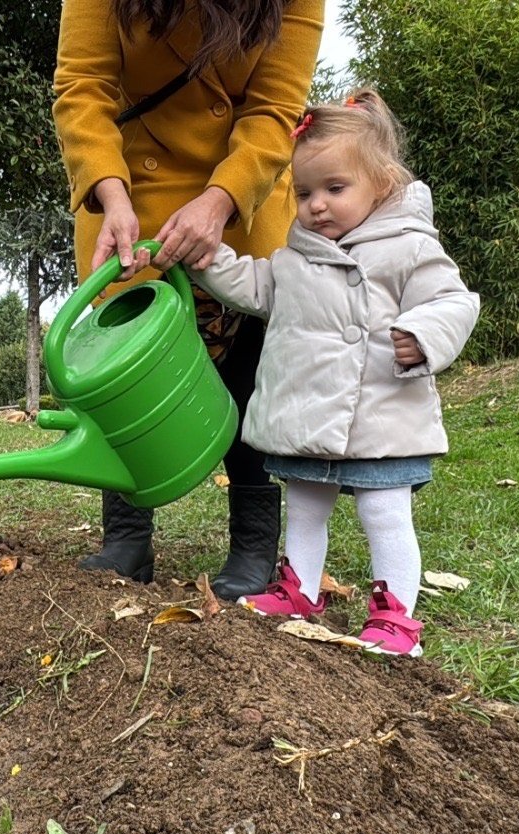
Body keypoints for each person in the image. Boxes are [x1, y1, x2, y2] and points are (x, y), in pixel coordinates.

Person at [187, 89, 480, 657]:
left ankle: (397, 616)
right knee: (306, 502)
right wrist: (209, 259)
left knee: (384, 511)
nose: (317, 205)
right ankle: (300, 589)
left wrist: (422, 336)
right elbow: (255, 286)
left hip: (381, 412)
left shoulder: (409, 247)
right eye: (304, 193)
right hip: (310, 412)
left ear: (382, 184)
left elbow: (454, 301)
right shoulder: (295, 256)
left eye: (335, 189)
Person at [52, 0, 322, 598]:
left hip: (239, 204)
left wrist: (221, 200)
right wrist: (110, 195)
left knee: (249, 380)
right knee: (125, 377)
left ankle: (253, 546)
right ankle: (127, 538)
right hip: (130, 198)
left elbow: (275, 110)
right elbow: (83, 85)